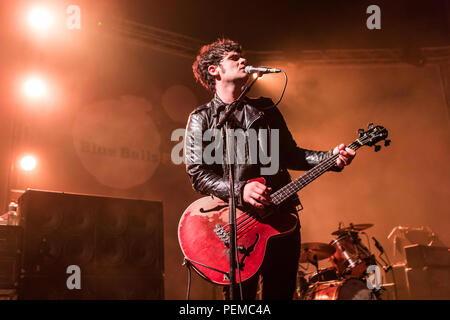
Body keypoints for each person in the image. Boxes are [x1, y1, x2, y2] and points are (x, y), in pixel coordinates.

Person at [184, 38, 355, 300]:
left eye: (242, 56)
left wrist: (330, 157)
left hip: (281, 220)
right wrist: (241, 190)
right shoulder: (201, 118)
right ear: (214, 70)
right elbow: (197, 173)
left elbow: (291, 155)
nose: (243, 60)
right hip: (236, 225)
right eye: (233, 57)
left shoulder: (266, 110)